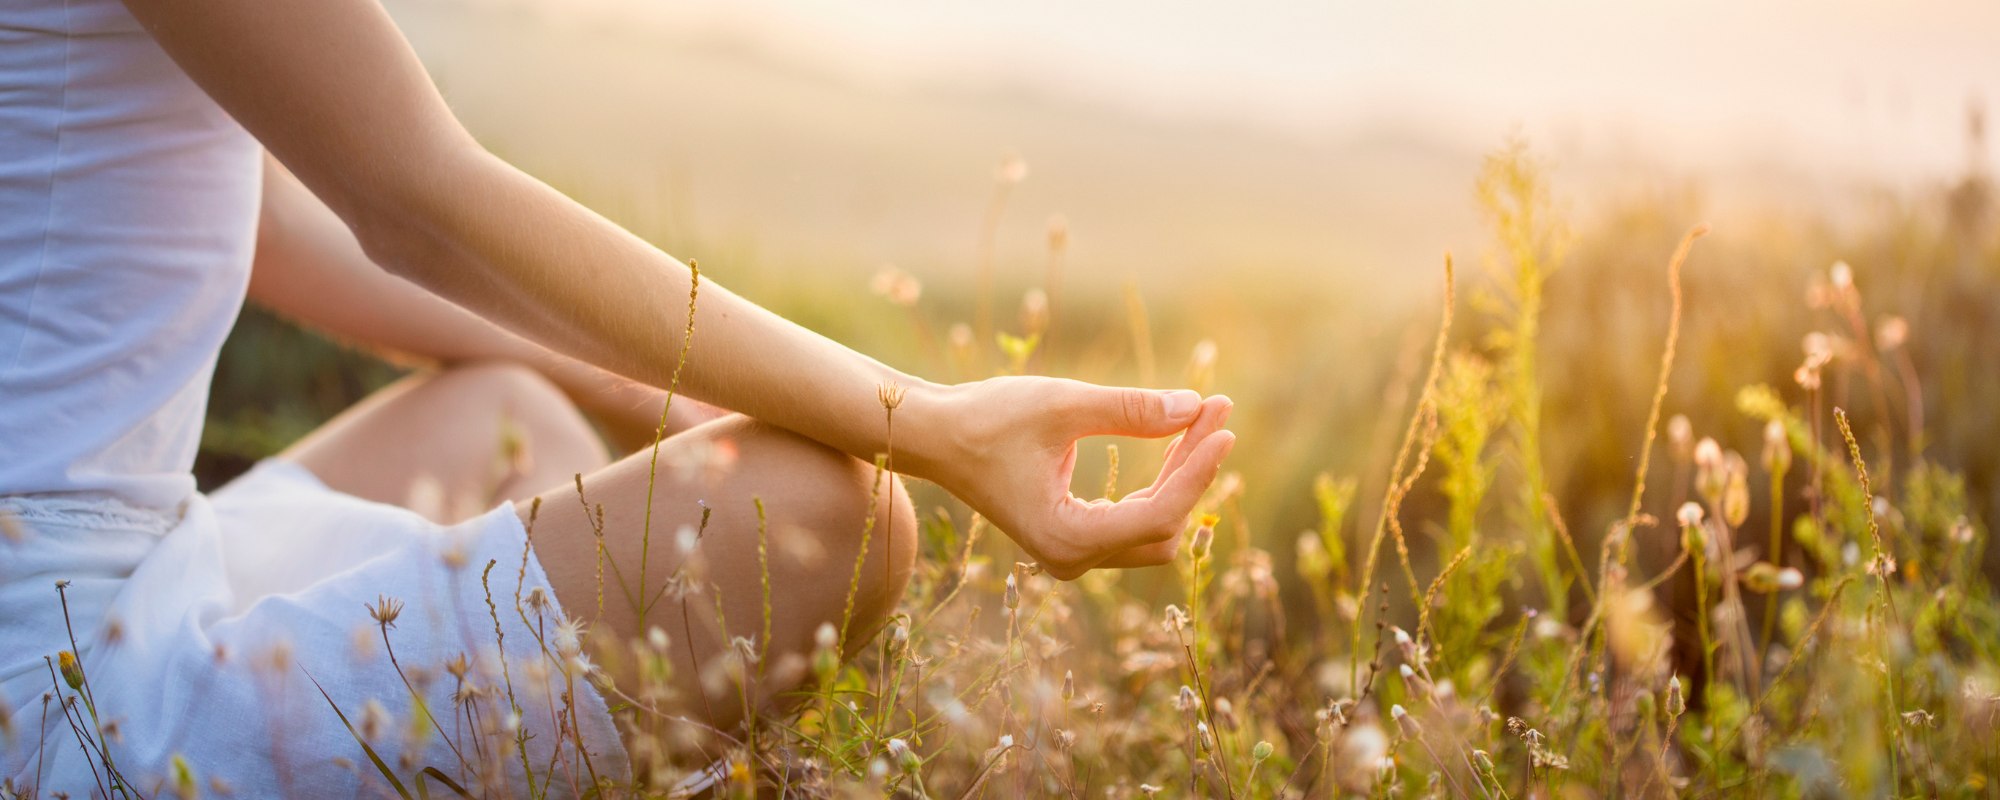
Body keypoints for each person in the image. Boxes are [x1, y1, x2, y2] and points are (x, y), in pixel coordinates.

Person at [0, 0, 1237, 795]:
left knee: (511, 418)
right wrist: (930, 421)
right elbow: (413, 195)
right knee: (811, 517)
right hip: (48, 697)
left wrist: (637, 385)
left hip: (135, 563)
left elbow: (275, 227)